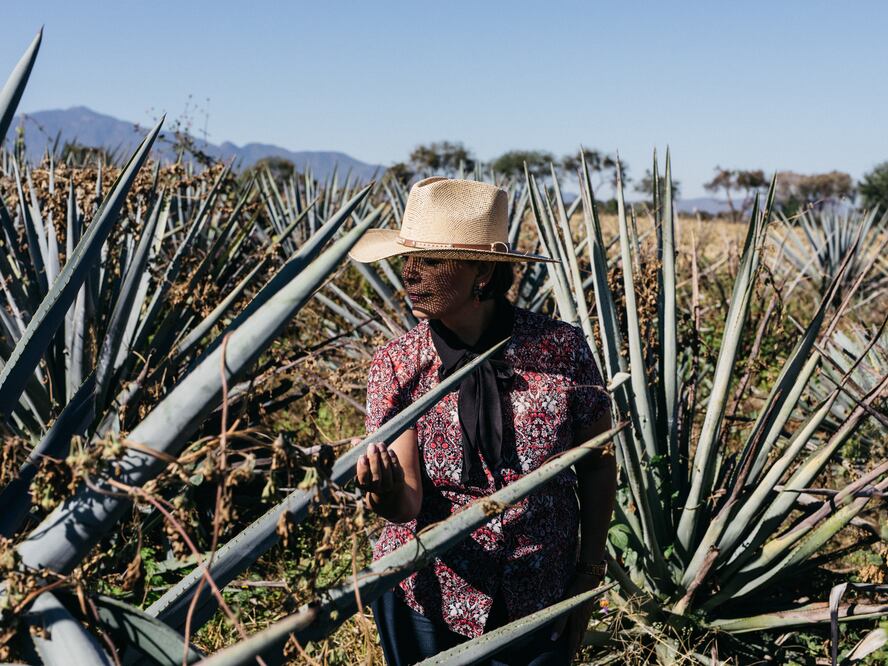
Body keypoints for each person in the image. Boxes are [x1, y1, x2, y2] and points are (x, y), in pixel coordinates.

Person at [348, 177, 616, 665]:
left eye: (429, 261)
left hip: (540, 591)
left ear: (484, 275)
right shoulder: (399, 363)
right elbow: (406, 501)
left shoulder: (561, 350)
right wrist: (383, 491)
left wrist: (589, 572)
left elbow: (597, 464)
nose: (409, 274)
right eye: (406, 260)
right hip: (428, 595)